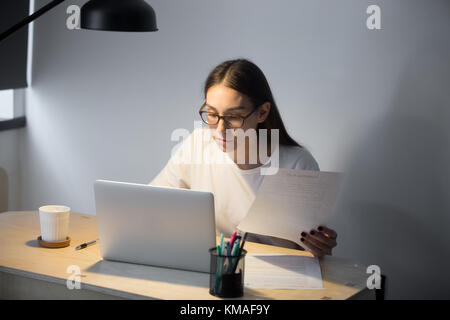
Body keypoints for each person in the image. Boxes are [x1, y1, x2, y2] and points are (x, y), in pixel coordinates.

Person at [149, 58, 337, 257]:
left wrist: (318, 245)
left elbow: (307, 252)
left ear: (262, 112)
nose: (221, 129)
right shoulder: (197, 144)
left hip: (274, 276)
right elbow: (152, 204)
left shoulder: (297, 164)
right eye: (212, 114)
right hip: (211, 266)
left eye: (234, 117)